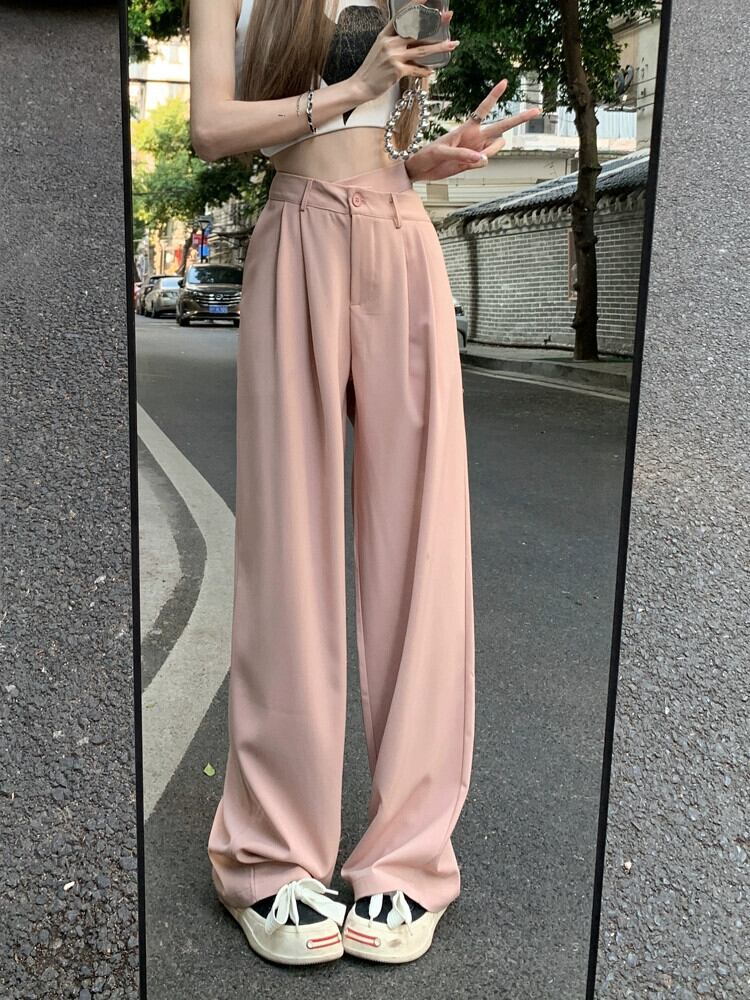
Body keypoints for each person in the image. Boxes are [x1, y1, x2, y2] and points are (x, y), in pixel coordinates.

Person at [187, 0, 541, 967]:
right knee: (287, 550)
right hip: (294, 231)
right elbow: (211, 129)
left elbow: (385, 136)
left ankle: (408, 859)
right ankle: (271, 856)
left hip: (399, 235)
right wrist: (355, 85)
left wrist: (424, 159)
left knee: (422, 547)